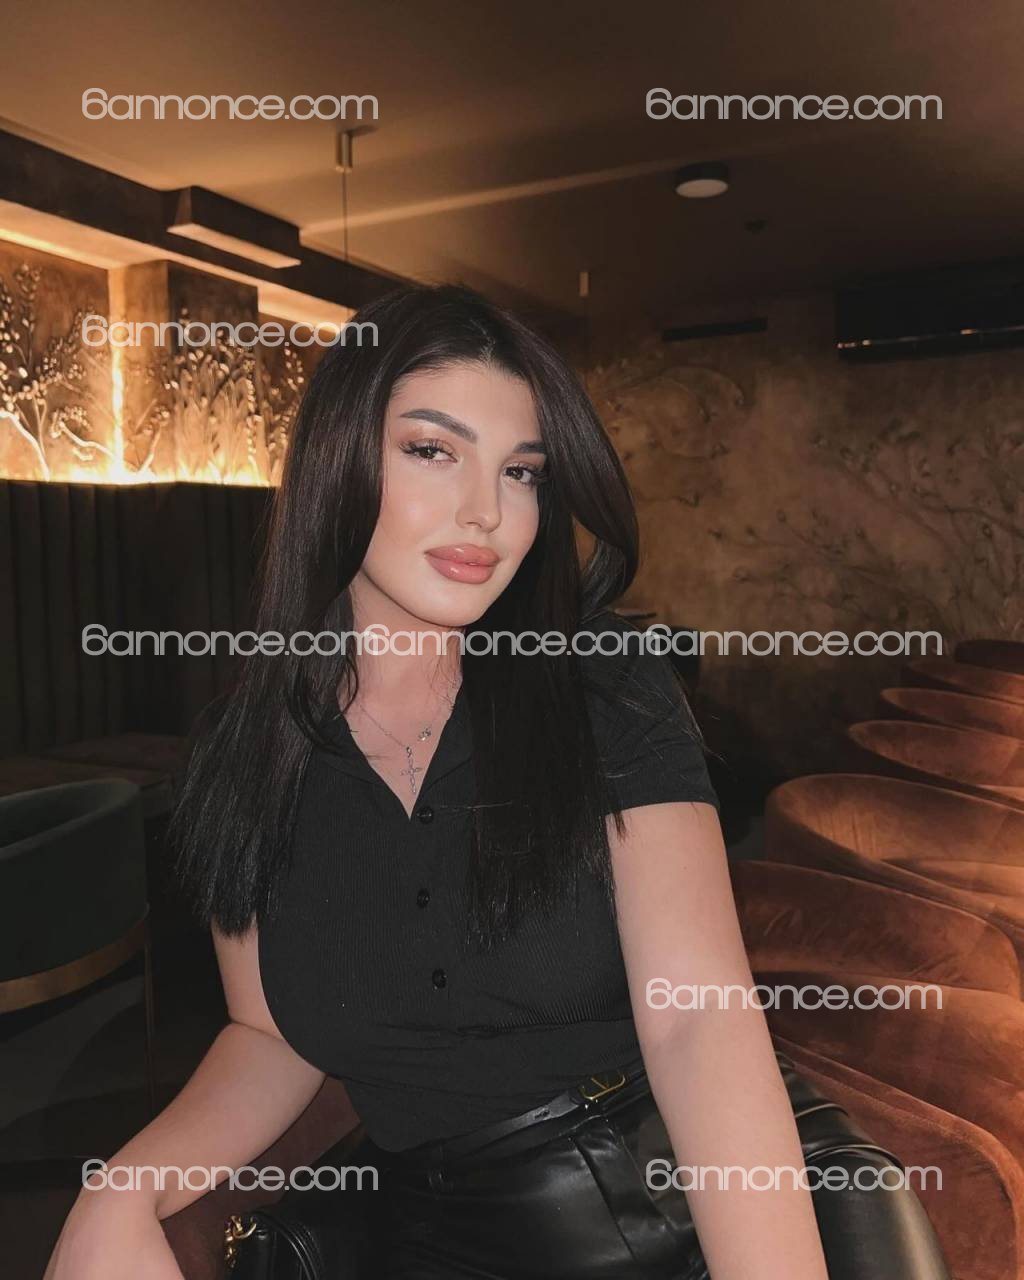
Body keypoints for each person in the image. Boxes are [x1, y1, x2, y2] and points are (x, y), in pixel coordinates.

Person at [45, 283, 919, 1279]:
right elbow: (269, 1032)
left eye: (521, 471)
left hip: (704, 1199)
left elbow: (697, 1019)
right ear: (336, 458)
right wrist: (126, 1184)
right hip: (451, 1231)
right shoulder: (244, 750)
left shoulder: (600, 683)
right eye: (432, 450)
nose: (488, 511)